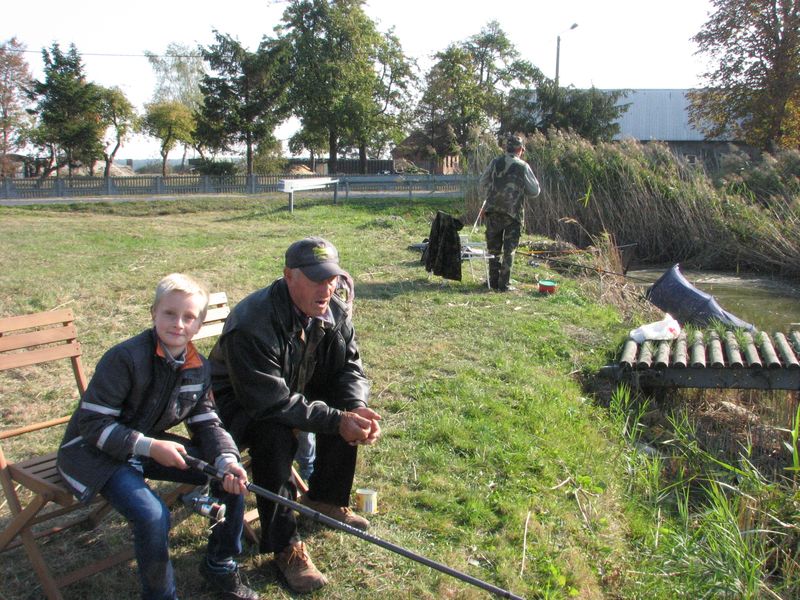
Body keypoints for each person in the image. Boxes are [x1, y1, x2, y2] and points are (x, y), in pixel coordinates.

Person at [56, 273, 258, 600]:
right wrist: (149, 446)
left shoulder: (198, 367)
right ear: (153, 313)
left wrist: (227, 458)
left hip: (146, 446)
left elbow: (207, 421)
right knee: (153, 515)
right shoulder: (124, 358)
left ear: (199, 325)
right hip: (92, 453)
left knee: (230, 476)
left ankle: (220, 562)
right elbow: (91, 426)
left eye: (189, 317)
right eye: (169, 313)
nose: (178, 323)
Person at [208, 237, 380, 594]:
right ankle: (284, 545)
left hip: (289, 388)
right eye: (316, 279)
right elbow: (268, 403)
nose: (327, 287)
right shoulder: (252, 323)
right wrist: (336, 420)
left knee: (340, 406)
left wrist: (356, 407)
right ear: (288, 276)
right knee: (274, 431)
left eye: (331, 278)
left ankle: (326, 499)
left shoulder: (332, 310)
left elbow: (350, 367)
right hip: (234, 404)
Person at [479, 134, 541, 291]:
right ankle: (504, 285)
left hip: (492, 211)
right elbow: (535, 191)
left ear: (506, 148)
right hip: (513, 215)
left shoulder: (494, 162)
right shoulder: (523, 166)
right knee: (509, 250)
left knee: (493, 249)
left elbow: (483, 181)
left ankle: (492, 282)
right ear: (520, 149)